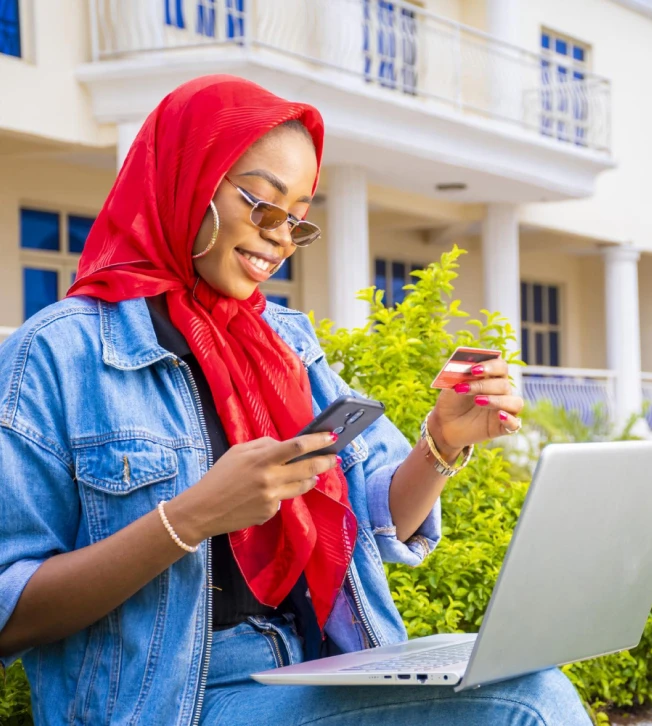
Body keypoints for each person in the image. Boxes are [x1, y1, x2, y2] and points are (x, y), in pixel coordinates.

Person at [0, 75, 591, 726]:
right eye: (261, 204)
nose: (280, 236)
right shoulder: (59, 355)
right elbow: (9, 614)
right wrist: (188, 520)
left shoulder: (286, 344)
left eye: (298, 219)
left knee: (525, 677)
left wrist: (443, 442)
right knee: (528, 704)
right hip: (167, 704)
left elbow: (373, 514)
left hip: (312, 667)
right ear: (188, 177)